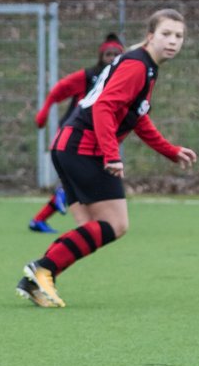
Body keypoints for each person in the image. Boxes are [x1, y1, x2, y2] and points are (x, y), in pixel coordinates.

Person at [17, 9, 197, 308]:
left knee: (92, 226)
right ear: (150, 35)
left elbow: (137, 117)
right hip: (83, 148)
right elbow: (103, 108)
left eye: (179, 36)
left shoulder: (145, 66)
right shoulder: (138, 66)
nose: (173, 41)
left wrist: (170, 150)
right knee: (115, 223)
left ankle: (38, 278)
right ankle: (42, 269)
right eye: (166, 34)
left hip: (69, 146)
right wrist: (112, 155)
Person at [27, 34, 125, 233]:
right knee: (80, 180)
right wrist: (44, 112)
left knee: (80, 182)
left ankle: (41, 218)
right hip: (74, 135)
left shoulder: (124, 79)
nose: (112, 58)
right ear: (101, 56)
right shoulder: (90, 76)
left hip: (98, 138)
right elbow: (58, 90)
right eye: (108, 54)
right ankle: (66, 201)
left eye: (117, 54)